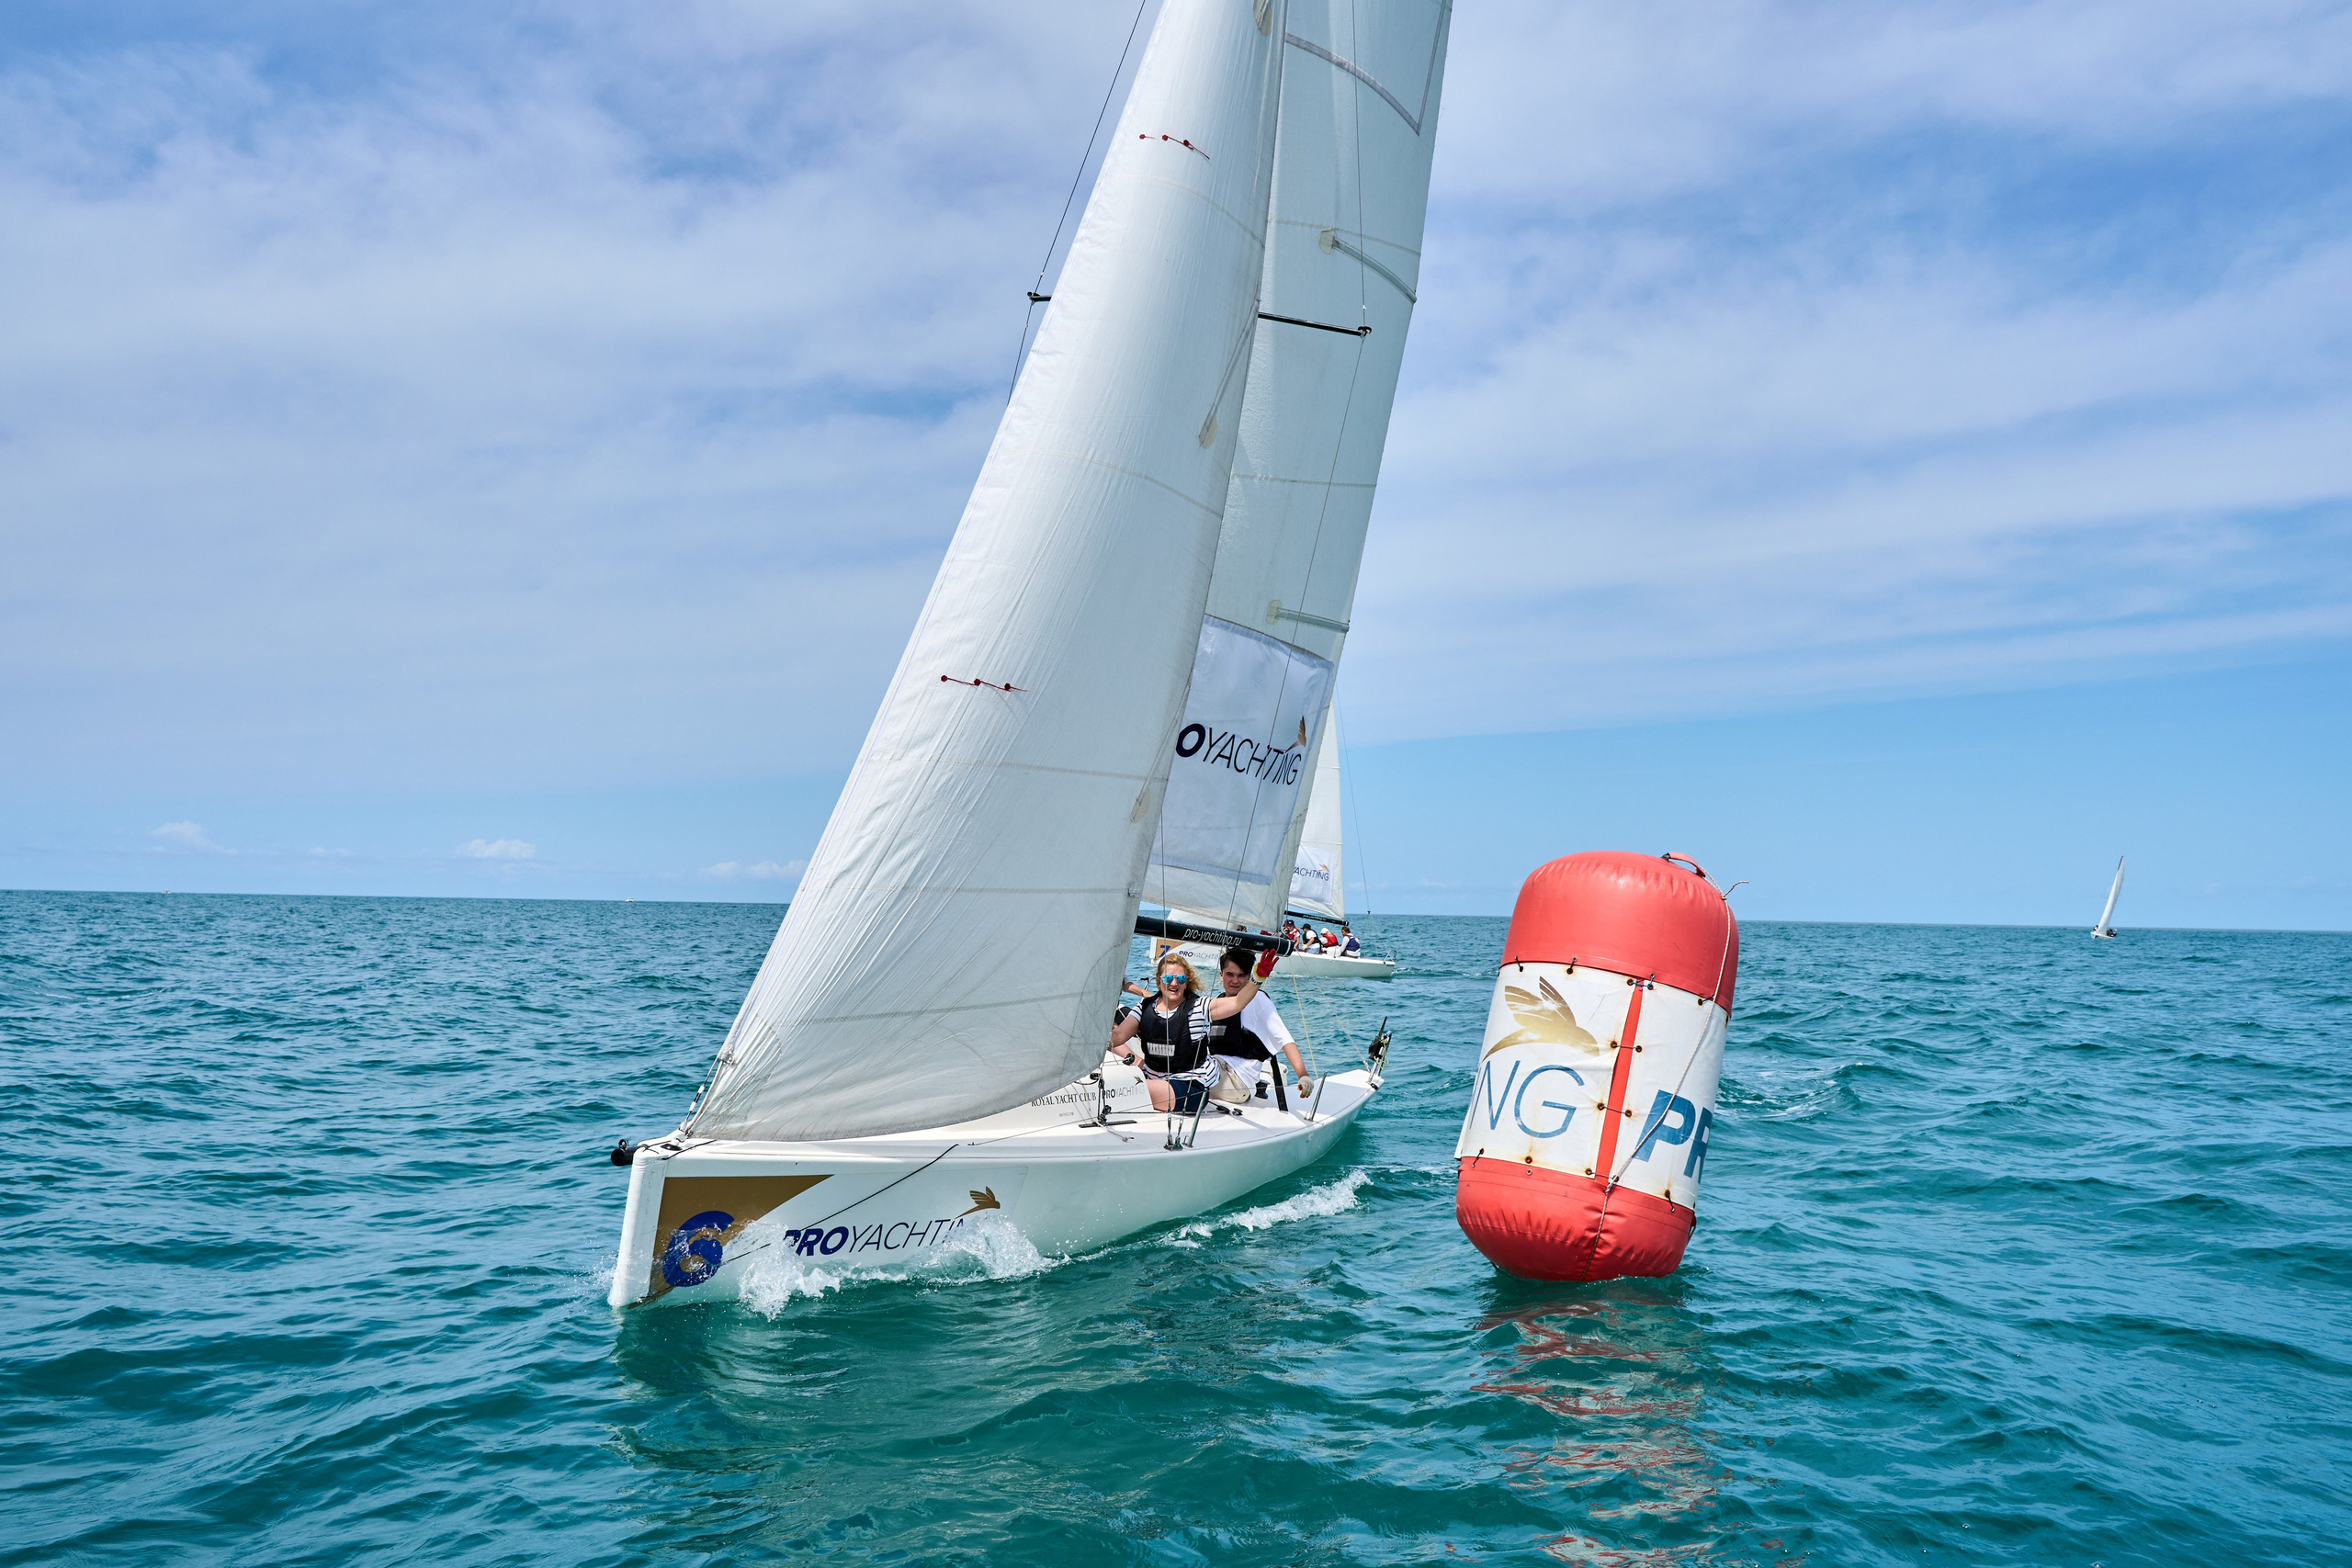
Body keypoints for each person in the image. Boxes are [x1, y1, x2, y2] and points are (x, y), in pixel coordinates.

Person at [1107, 950, 1270, 1112]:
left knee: (1125, 1088)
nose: (1174, 984)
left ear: (1186, 982)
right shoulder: (1144, 1008)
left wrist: (1257, 978)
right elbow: (1118, 1036)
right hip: (1153, 1079)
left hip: (1188, 1088)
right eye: (1168, 978)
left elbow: (1237, 1003)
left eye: (1181, 979)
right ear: (1159, 981)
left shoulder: (1199, 1007)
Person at [1205, 946, 1313, 1103]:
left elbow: (1284, 1039)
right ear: (1221, 975)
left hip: (1237, 1081)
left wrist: (1303, 1075)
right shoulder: (1218, 1002)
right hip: (1217, 1069)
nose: (1235, 981)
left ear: (1249, 978)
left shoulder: (1257, 1000)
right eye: (1230, 974)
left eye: (1241, 975)